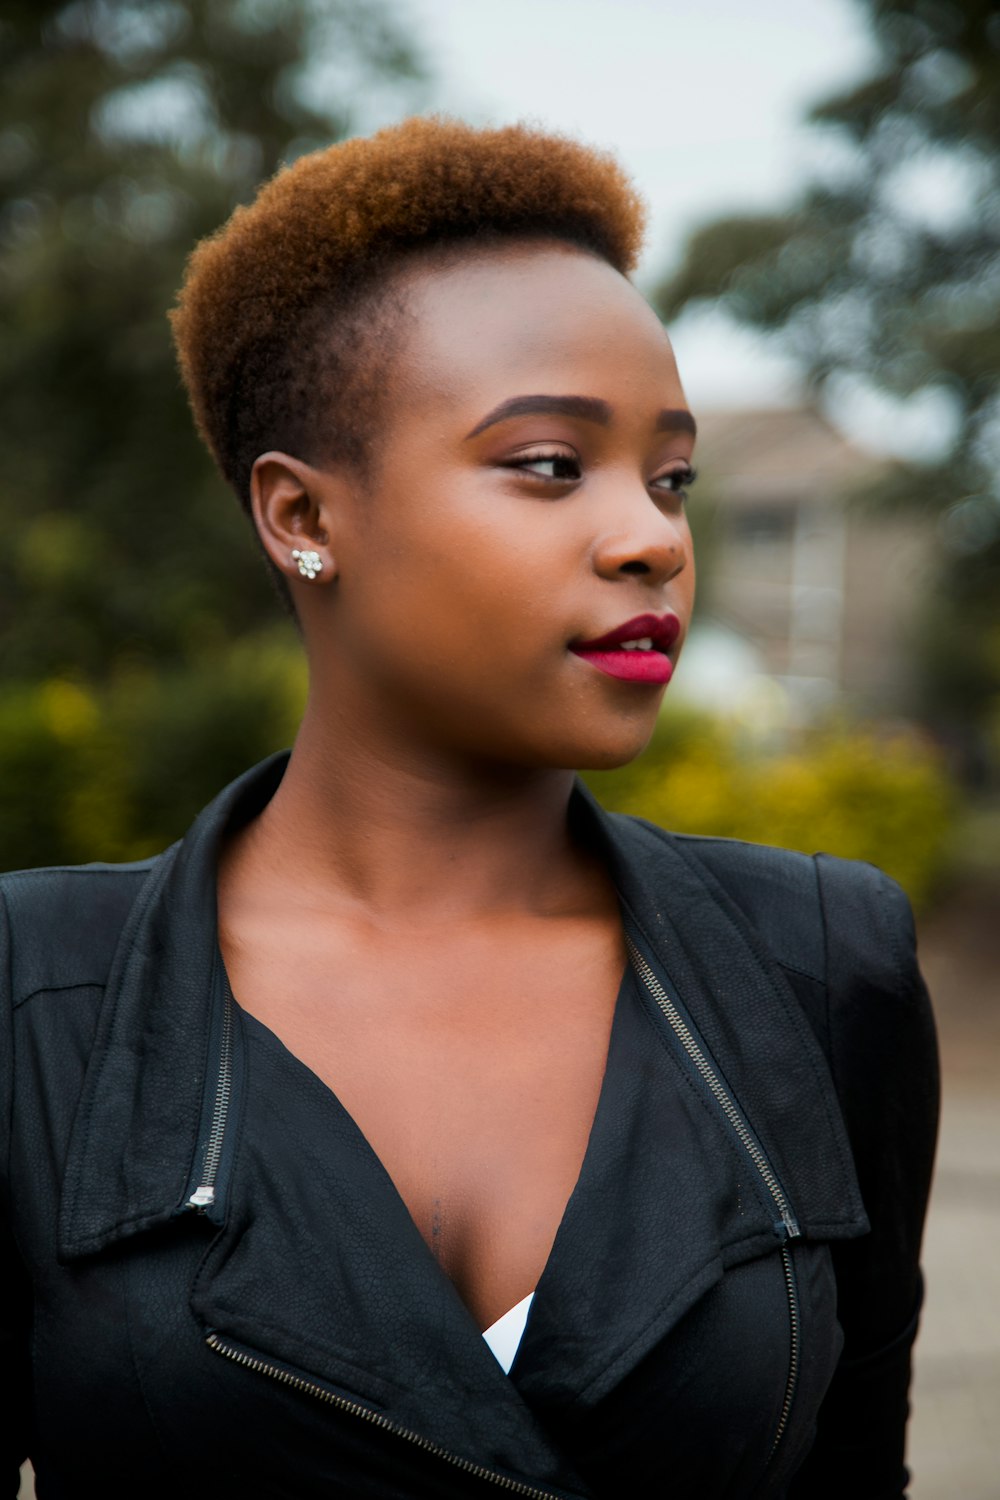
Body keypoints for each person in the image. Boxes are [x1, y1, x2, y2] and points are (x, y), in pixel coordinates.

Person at [2, 118, 937, 1499]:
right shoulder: (35, 997)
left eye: (671, 476)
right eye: (551, 465)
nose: (652, 537)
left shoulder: (816, 964)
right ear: (301, 514)